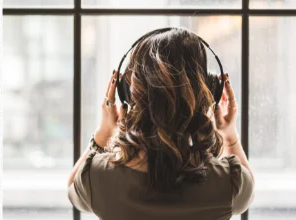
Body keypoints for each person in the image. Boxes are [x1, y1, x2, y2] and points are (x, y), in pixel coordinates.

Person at [67, 28, 255, 219]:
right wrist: (230, 134)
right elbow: (248, 191)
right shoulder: (228, 183)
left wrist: (104, 131)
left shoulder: (98, 177)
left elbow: (73, 187)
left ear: (126, 94)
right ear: (209, 90)